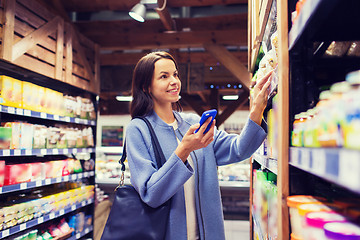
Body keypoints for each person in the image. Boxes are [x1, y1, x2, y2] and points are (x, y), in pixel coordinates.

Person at [125, 51, 272, 240]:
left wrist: (257, 109)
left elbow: (239, 149)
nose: (174, 81)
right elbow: (150, 194)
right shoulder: (138, 129)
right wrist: (183, 150)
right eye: (164, 76)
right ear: (146, 87)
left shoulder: (193, 123)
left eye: (175, 74)